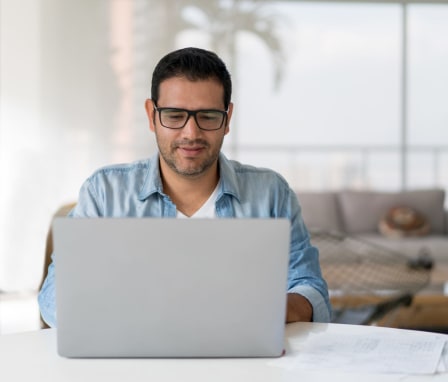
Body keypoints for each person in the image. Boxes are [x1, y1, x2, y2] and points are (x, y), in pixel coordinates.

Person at [38, 47, 331, 328]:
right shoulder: (104, 192)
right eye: (175, 116)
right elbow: (54, 296)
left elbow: (311, 290)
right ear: (152, 115)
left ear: (227, 119)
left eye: (207, 117)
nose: (191, 133)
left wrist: (267, 308)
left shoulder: (271, 194)